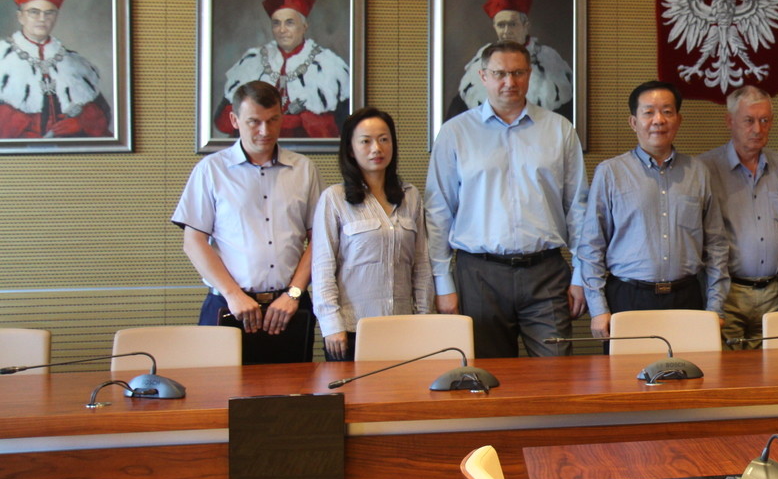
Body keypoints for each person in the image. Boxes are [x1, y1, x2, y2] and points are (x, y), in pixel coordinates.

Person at [425, 40, 587, 359]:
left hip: (546, 272)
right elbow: (438, 212)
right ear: (483, 76)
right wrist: (443, 284)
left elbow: (578, 208)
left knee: (556, 373)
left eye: (518, 73)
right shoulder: (455, 133)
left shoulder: (559, 130)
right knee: (489, 376)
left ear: (530, 75)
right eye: (500, 73)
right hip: (478, 274)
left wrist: (582, 275)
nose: (509, 82)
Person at [172, 80, 323, 363]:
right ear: (234, 120)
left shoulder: (304, 169)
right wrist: (233, 295)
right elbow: (193, 242)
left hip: (288, 307)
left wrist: (293, 293)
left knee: (293, 390)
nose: (265, 131)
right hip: (228, 305)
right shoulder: (211, 170)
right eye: (254, 122)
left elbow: (320, 240)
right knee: (219, 389)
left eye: (273, 120)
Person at [576, 81, 729, 339]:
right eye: (648, 112)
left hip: (687, 298)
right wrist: (598, 309)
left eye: (667, 112)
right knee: (627, 367)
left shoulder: (698, 173)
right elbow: (591, 246)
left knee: (687, 365)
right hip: (628, 298)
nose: (659, 120)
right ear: (633, 122)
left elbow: (716, 245)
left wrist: (716, 306)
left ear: (678, 120)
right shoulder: (610, 172)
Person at [311, 108, 433, 360]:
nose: (376, 148)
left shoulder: (410, 196)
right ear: (350, 149)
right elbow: (322, 266)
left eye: (383, 139)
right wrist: (331, 325)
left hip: (403, 326)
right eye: (365, 141)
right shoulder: (334, 198)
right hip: (351, 329)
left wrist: (424, 317)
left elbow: (421, 264)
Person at [698, 85, 778, 349]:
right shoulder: (705, 169)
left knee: (776, 367)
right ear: (730, 121)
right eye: (749, 121)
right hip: (728, 292)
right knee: (727, 368)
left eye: (765, 120)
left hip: (775, 294)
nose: (758, 129)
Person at [217, 0, 350, 139]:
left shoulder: (328, 64)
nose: (282, 30)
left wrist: (300, 120)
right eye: (276, 23)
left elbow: (342, 125)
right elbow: (223, 121)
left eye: (289, 23)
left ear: (304, 26)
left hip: (307, 148)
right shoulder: (252, 60)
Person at [0, 0, 112, 138]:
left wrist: (80, 123)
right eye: (34, 12)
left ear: (56, 17)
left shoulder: (75, 62)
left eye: (49, 13)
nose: (42, 18)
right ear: (20, 17)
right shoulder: (2, 57)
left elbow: (102, 112)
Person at [447, 0, 574, 121]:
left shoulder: (548, 60)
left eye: (512, 24)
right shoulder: (482, 61)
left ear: (526, 25)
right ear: (494, 27)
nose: (507, 31)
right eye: (501, 25)